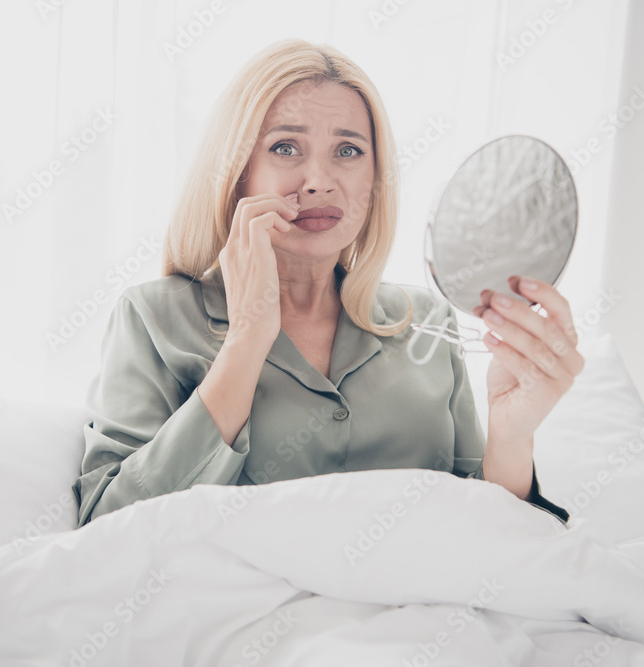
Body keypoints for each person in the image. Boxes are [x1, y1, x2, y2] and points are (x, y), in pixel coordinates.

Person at [72, 39, 584, 528]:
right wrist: (247, 340)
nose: (318, 181)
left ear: (374, 180)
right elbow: (107, 525)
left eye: (348, 151)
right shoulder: (154, 319)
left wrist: (512, 438)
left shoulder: (428, 323)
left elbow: (486, 533)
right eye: (286, 147)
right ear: (236, 173)